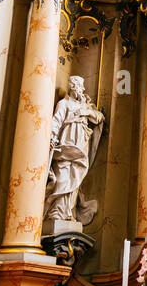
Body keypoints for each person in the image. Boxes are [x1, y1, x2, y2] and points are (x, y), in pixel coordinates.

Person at [44, 76, 104, 229]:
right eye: (80, 86)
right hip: (65, 144)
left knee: (75, 178)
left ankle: (69, 213)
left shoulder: (85, 106)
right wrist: (52, 136)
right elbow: (56, 121)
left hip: (80, 146)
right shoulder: (64, 104)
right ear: (73, 87)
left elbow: (99, 117)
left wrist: (87, 112)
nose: (82, 90)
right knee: (62, 177)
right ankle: (56, 213)